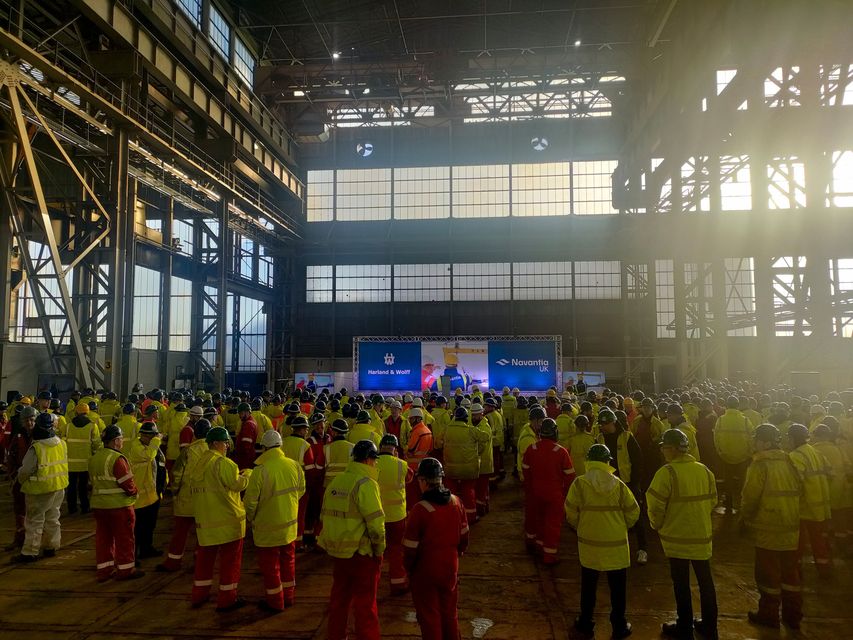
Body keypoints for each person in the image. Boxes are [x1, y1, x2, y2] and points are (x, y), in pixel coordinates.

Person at [647, 429, 718, 640]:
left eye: (665, 446)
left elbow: (655, 506)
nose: (662, 450)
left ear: (674, 449)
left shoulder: (666, 473)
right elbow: (713, 501)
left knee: (681, 584)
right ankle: (710, 625)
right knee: (706, 582)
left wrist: (657, 525)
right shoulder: (704, 470)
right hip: (701, 536)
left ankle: (685, 626)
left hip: (677, 539)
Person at [565, 443, 639, 639]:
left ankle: (586, 622)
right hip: (616, 544)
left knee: (589, 585)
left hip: (589, 543)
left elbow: (570, 512)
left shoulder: (580, 484)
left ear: (588, 462)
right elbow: (634, 512)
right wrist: (622, 527)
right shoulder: (619, 485)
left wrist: (580, 526)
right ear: (608, 462)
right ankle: (619, 625)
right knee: (617, 588)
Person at [319, 439, 386, 640]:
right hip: (362, 554)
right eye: (374, 460)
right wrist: (380, 550)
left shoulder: (337, 482)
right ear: (368, 460)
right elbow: (376, 524)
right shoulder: (366, 484)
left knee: (339, 600)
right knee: (365, 605)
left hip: (339, 554)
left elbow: (324, 517)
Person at [741, 424, 802, 630]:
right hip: (791, 526)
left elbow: (750, 497)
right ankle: (793, 615)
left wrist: (745, 518)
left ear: (766, 443)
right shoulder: (790, 461)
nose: (754, 443)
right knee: (790, 573)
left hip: (768, 528)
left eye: (757, 439)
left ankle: (769, 615)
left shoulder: (760, 465)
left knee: (768, 574)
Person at [403, 457, 469, 640]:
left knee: (429, 616)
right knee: (450, 612)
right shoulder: (456, 503)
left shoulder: (420, 510)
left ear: (423, 481)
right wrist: (456, 554)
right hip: (450, 568)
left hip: (426, 571)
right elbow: (464, 537)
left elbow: (409, 549)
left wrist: (409, 568)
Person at [189, 426, 252, 611]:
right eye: (225, 442)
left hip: (206, 523)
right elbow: (236, 484)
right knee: (230, 563)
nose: (227, 446)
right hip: (228, 523)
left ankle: (199, 595)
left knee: (204, 562)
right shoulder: (223, 463)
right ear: (216, 443)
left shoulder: (200, 462)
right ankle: (227, 599)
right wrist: (248, 475)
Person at [244, 430, 305, 612]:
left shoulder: (260, 471)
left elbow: (250, 503)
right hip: (289, 527)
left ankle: (275, 602)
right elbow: (300, 491)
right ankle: (289, 596)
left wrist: (251, 518)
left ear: (264, 448)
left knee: (271, 567)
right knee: (289, 562)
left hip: (267, 528)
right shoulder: (294, 465)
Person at [89, 425, 143, 581]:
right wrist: (134, 492)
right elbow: (128, 484)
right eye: (120, 439)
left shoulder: (94, 458)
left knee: (104, 539)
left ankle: (104, 570)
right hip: (119, 506)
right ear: (115, 441)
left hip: (99, 506)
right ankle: (126, 570)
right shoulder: (117, 459)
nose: (122, 442)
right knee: (124, 538)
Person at [157, 418, 211, 572]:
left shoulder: (187, 451)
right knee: (203, 535)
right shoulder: (214, 452)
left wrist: (175, 492)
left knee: (180, 532)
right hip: (205, 501)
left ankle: (173, 561)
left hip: (186, 499)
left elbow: (177, 475)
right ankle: (199, 562)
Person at [14, 412, 69, 563]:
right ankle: (51, 546)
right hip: (58, 487)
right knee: (53, 517)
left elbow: (25, 470)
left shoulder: (37, 447)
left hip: (39, 490)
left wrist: (20, 479)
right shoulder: (61, 443)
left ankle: (29, 551)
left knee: (34, 520)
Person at [596, 408, 647, 565]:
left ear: (613, 423)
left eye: (605, 423)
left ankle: (642, 549)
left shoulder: (626, 437)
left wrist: (635, 482)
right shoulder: (599, 439)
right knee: (610, 516)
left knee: (636, 514)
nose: (603, 427)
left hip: (628, 483)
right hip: (608, 484)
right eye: (601, 424)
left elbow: (638, 460)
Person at [521, 418, 575, 564]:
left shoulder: (531, 449)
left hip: (535, 493)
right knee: (552, 525)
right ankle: (549, 556)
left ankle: (539, 547)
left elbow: (525, 473)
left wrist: (530, 490)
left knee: (538, 521)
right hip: (555, 495)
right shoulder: (561, 452)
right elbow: (570, 476)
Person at [786, 423, 832, 578]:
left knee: (797, 542)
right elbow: (830, 473)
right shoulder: (814, 451)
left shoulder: (795, 456)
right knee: (818, 540)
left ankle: (796, 570)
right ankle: (824, 569)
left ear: (792, 438)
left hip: (804, 506)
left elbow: (794, 483)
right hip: (819, 504)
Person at [376, 433, 414, 594]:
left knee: (376, 551)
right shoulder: (401, 465)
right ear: (395, 448)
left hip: (376, 515)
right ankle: (398, 582)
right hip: (397, 516)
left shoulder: (372, 464)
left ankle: (373, 584)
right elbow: (410, 478)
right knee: (396, 549)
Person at [443, 406, 490, 523]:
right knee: (468, 491)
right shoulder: (470, 430)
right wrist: (479, 451)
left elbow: (439, 443)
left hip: (451, 469)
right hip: (468, 469)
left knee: (452, 493)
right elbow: (486, 437)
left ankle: (452, 516)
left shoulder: (447, 430)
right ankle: (471, 516)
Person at [127, 421, 166, 559]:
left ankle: (146, 549)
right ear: (142, 435)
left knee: (150, 525)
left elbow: (161, 465)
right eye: (150, 436)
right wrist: (156, 440)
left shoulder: (154, 448)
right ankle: (135, 554)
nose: (151, 438)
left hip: (153, 494)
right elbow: (148, 455)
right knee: (139, 527)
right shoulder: (137, 447)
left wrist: (163, 485)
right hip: (141, 496)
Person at [713, 396, 753, 515]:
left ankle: (728, 501)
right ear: (738, 405)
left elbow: (715, 438)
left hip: (725, 456)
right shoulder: (745, 420)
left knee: (728, 479)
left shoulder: (720, 420)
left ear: (726, 405)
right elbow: (752, 438)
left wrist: (720, 452)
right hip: (743, 456)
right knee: (743, 480)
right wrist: (749, 453)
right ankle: (742, 502)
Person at [5, 405, 36, 551]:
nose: (29, 423)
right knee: (19, 509)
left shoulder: (41, 437)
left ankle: (34, 542)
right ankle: (20, 538)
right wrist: (12, 474)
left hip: (36, 480)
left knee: (35, 512)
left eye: (32, 419)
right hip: (19, 478)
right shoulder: (18, 437)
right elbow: (10, 455)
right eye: (26, 420)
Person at [282, 415, 315, 550]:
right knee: (299, 514)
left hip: (283, 485)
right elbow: (310, 469)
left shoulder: (282, 442)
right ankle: (298, 542)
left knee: (285, 514)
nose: (307, 431)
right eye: (306, 429)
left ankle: (284, 540)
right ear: (301, 430)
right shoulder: (306, 446)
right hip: (300, 487)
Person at [65, 402, 101, 515]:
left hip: (70, 464)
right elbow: (96, 444)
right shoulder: (92, 426)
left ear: (76, 412)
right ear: (88, 412)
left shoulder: (68, 426)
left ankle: (72, 508)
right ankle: (85, 507)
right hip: (86, 463)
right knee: (83, 487)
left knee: (71, 487)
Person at [404, 407, 433, 506]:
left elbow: (410, 449)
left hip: (413, 467)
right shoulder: (427, 430)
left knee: (413, 495)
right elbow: (431, 449)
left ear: (417, 418)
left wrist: (405, 449)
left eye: (411, 419)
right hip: (423, 466)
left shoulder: (417, 432)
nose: (410, 421)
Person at [470, 404, 494, 517]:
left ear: (481, 414)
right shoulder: (476, 425)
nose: (474, 417)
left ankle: (481, 509)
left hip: (483, 463)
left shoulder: (485, 427)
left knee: (481, 489)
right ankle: (485, 506)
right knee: (483, 488)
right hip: (479, 463)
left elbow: (480, 447)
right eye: (473, 415)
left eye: (476, 415)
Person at [234, 403, 258, 470]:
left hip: (244, 458)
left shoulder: (248, 424)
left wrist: (241, 456)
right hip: (246, 456)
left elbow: (246, 444)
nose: (239, 415)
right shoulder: (248, 422)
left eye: (241, 413)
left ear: (247, 412)